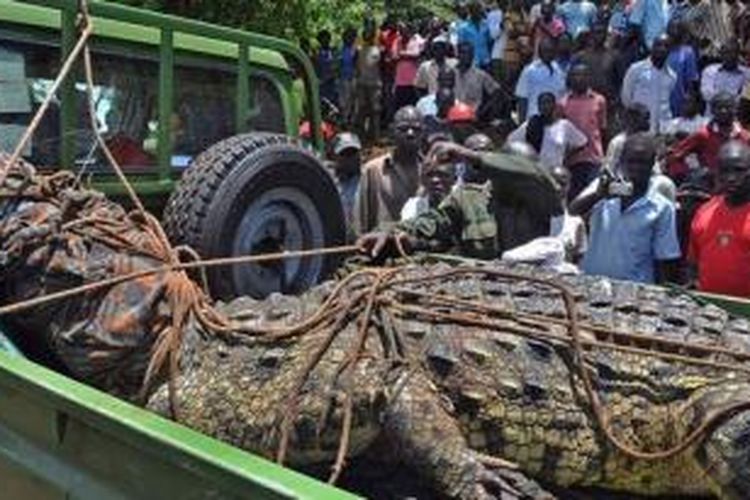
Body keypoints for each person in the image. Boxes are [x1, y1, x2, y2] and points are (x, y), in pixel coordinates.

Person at [357, 141, 563, 259]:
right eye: (509, 173)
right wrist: (391, 230)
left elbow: (535, 176)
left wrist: (471, 156)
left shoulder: (543, 200)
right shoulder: (469, 199)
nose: (517, 181)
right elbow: (429, 223)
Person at [570, 133, 681, 284]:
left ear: (652, 164)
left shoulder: (662, 208)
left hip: (635, 290)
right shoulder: (602, 189)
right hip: (592, 283)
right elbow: (572, 212)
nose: (636, 168)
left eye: (642, 162)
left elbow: (664, 259)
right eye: (631, 162)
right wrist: (598, 195)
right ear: (622, 162)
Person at [689, 140, 750, 297]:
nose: (731, 178)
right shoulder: (704, 211)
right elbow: (693, 262)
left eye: (739, 170)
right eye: (724, 171)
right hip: (709, 312)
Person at [354, 106, 424, 234]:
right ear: (392, 131)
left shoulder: (431, 171)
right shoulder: (373, 170)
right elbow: (361, 221)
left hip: (422, 249)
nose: (410, 133)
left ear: (424, 132)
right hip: (383, 250)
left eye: (416, 129)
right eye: (403, 129)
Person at [668, 92, 750, 185]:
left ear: (735, 110)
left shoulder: (745, 137)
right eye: (719, 107)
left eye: (728, 107)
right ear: (712, 111)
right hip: (710, 188)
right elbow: (675, 156)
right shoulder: (703, 135)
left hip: (741, 189)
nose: (723, 111)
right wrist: (685, 175)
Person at [507, 92, 589, 171]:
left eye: (548, 103)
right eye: (542, 104)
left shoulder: (564, 126)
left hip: (555, 172)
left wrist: (565, 157)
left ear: (554, 105)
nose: (545, 106)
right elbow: (511, 140)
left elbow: (582, 143)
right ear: (538, 107)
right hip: (536, 172)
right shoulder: (531, 123)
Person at [560, 63, 607, 199]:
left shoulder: (599, 100)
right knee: (574, 197)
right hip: (572, 159)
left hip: (594, 157)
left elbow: (602, 129)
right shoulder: (563, 103)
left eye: (582, 75)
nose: (578, 78)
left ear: (589, 78)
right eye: (575, 75)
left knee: (593, 197)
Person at [621, 35, 676, 133]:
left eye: (666, 46)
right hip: (639, 130)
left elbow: (667, 104)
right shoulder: (636, 69)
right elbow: (626, 99)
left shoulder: (672, 76)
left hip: (661, 132)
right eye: (658, 45)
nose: (662, 49)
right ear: (652, 47)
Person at [515, 37, 567, 122]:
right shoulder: (529, 71)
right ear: (539, 52)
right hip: (534, 120)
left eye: (550, 50)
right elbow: (522, 99)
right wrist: (522, 123)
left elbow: (562, 95)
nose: (547, 53)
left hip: (555, 121)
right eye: (544, 50)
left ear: (554, 52)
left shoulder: (559, 71)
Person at [330, 133, 363, 241]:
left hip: (363, 240)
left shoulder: (368, 179)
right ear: (334, 156)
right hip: (336, 241)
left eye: (354, 153)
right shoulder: (328, 183)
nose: (351, 158)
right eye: (345, 154)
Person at [454, 42, 502, 113]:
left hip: (473, 116)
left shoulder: (480, 75)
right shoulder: (450, 73)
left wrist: (483, 111)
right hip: (452, 115)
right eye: (463, 53)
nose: (467, 56)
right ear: (458, 54)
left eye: (470, 53)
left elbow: (497, 93)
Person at [666, 19, 700, 119]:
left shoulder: (688, 52)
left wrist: (690, 102)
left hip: (679, 101)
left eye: (676, 28)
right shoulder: (661, 49)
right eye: (670, 28)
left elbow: (692, 81)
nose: (672, 31)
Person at [700, 40, 750, 106]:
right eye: (727, 52)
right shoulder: (710, 71)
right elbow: (707, 95)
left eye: (734, 52)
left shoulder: (747, 73)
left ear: (738, 55)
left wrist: (719, 96)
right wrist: (732, 97)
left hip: (735, 114)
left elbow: (744, 99)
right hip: (712, 114)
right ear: (721, 54)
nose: (731, 56)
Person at [356, 21, 383, 144]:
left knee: (375, 110)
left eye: (370, 34)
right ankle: (362, 137)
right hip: (362, 83)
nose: (368, 36)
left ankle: (376, 137)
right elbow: (356, 66)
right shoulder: (359, 50)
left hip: (375, 84)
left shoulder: (378, 50)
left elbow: (382, 67)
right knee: (362, 110)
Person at [500, 0, 532, 90]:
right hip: (512, 54)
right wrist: (523, 31)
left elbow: (529, 30)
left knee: (521, 82)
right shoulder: (508, 15)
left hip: (524, 54)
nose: (520, 1)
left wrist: (522, 30)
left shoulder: (524, 13)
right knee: (510, 81)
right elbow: (510, 32)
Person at [393, 23, 425, 111]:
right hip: (400, 81)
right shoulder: (397, 41)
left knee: (413, 105)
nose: (403, 33)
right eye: (401, 31)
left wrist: (402, 54)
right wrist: (407, 55)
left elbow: (416, 55)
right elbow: (394, 56)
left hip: (413, 80)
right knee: (399, 106)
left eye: (405, 30)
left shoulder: (415, 40)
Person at [458, 0, 493, 69]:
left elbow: (489, 42)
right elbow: (461, 46)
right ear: (470, 11)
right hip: (472, 63)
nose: (478, 12)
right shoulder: (463, 27)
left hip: (486, 62)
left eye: (479, 10)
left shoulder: (485, 25)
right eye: (475, 10)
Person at [339, 27, 359, 127]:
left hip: (354, 78)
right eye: (347, 37)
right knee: (345, 101)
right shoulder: (341, 50)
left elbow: (358, 64)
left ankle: (353, 121)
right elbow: (339, 64)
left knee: (354, 101)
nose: (349, 39)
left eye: (351, 37)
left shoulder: (357, 50)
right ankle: (345, 120)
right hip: (344, 78)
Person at [315, 30, 338, 107]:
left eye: (327, 39)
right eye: (322, 39)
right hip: (321, 86)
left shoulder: (334, 52)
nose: (325, 41)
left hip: (332, 85)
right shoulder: (317, 54)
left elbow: (336, 68)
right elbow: (316, 69)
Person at [487, 0, 506, 80]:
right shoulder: (493, 15)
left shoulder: (518, 12)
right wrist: (501, 25)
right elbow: (492, 35)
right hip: (498, 54)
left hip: (514, 55)